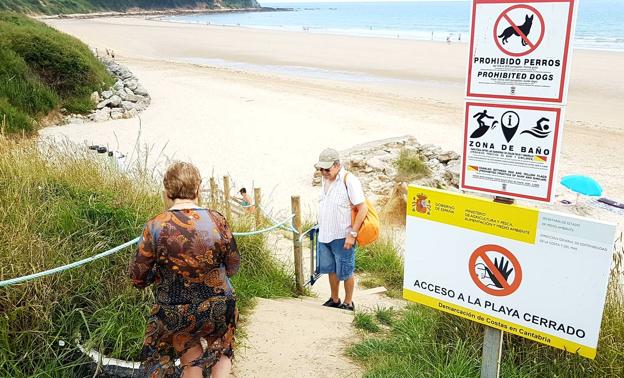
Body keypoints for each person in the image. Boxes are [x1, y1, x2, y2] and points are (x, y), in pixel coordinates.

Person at [129, 161, 240, 378]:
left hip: (175, 307)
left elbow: (138, 277)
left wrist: (158, 276)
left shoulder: (156, 225)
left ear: (167, 191)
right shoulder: (217, 220)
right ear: (197, 189)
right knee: (222, 350)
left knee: (190, 351)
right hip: (218, 303)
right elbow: (233, 266)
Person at [315, 148, 368, 311]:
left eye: (327, 169)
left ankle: (348, 302)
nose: (324, 172)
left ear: (337, 165)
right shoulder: (326, 179)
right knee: (331, 269)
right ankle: (335, 298)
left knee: (346, 271)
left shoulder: (349, 180)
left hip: (342, 236)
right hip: (325, 234)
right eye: (321, 169)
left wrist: (352, 234)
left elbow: (363, 208)